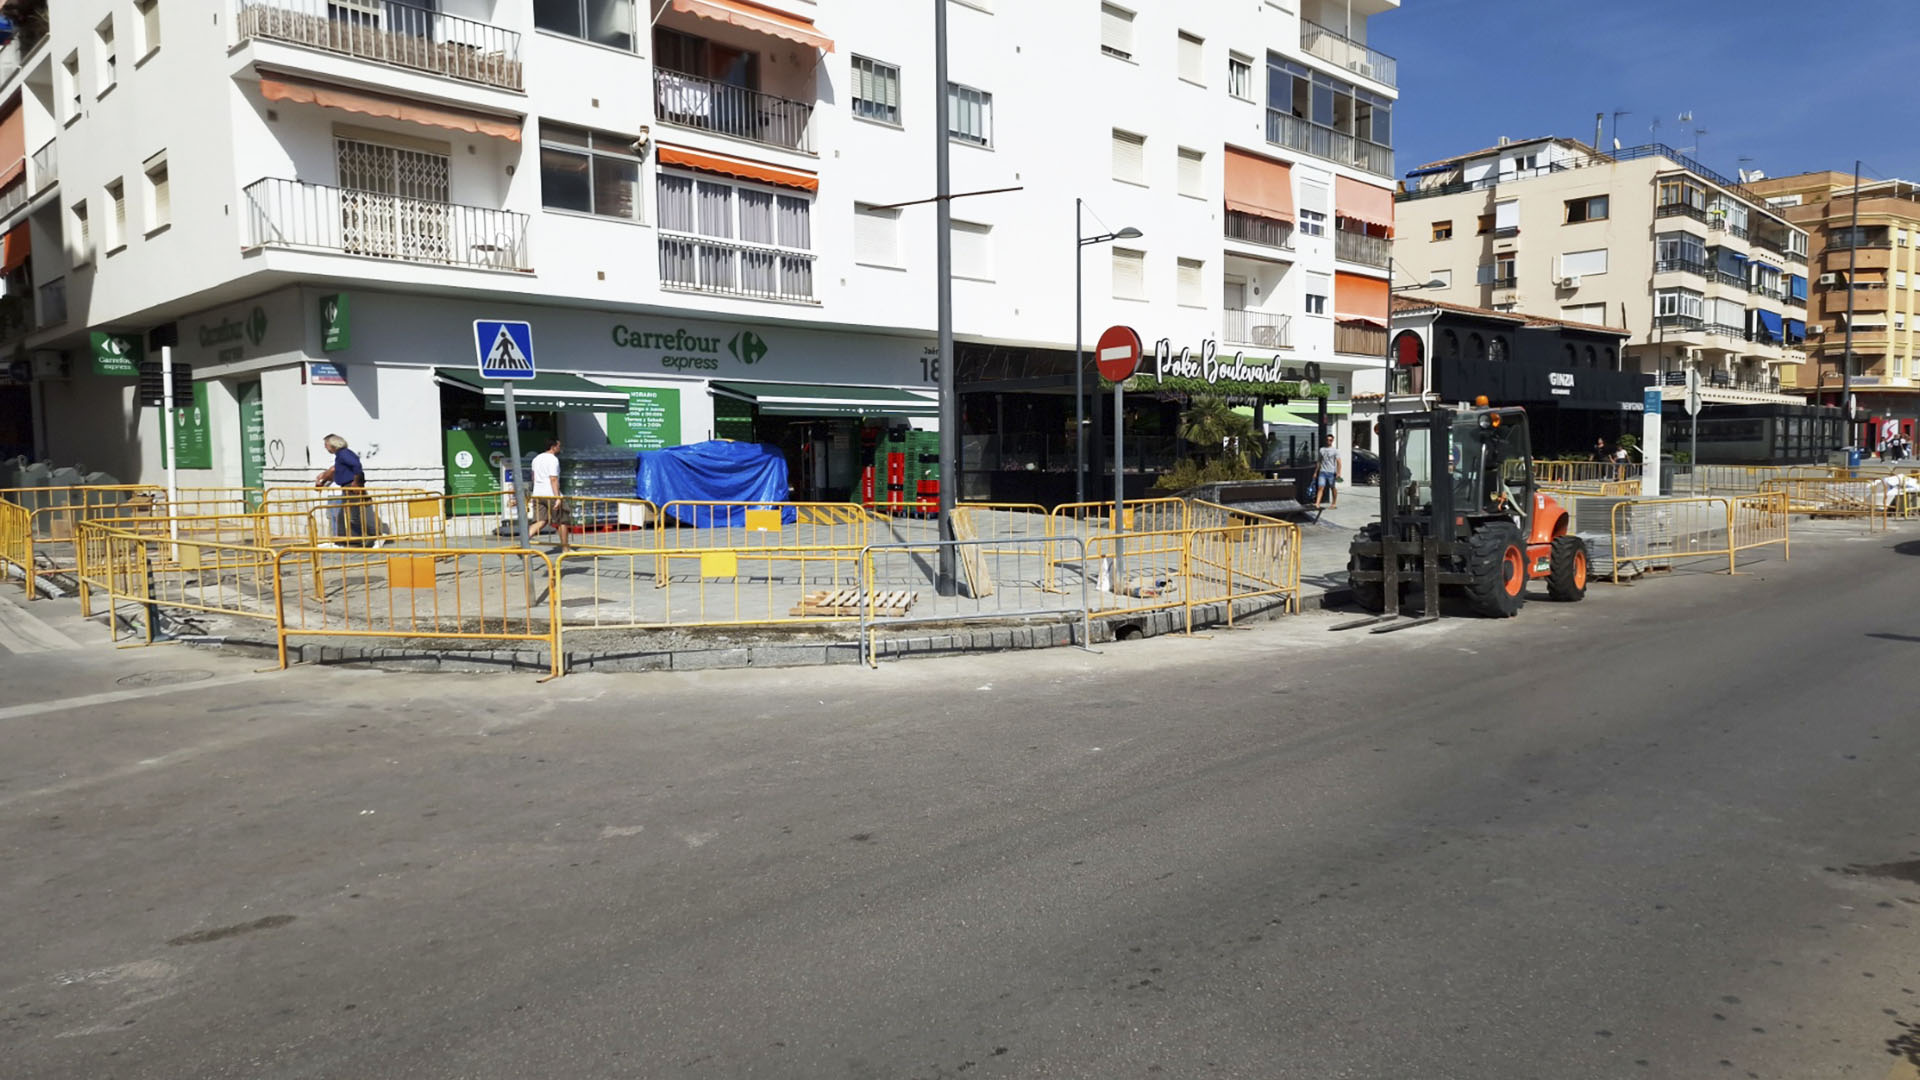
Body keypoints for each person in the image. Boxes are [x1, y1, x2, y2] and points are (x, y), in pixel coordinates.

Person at [312, 433, 369, 544]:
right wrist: (323, 480)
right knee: (342, 515)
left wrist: (356, 482)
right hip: (347, 487)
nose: (325, 447)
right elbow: (335, 470)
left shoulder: (343, 454)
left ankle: (360, 540)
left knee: (353, 515)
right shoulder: (341, 455)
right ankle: (343, 540)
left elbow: (357, 466)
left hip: (350, 487)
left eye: (326, 445)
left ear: (333, 445)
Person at [527, 437, 570, 551]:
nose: (560, 448)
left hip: (538, 494)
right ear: (553, 447)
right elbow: (553, 479)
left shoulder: (536, 459)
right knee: (562, 521)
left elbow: (533, 477)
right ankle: (565, 549)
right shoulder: (553, 459)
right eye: (559, 446)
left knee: (541, 521)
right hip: (550, 494)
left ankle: (524, 540)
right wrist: (557, 497)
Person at [1312, 434, 1341, 510]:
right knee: (1321, 487)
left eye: (1330, 440)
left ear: (1332, 440)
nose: (1329, 441)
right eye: (1328, 440)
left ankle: (1334, 503)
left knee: (1332, 487)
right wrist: (1315, 472)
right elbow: (1319, 461)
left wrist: (1338, 473)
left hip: (1331, 472)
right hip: (1322, 471)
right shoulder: (1322, 449)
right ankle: (1317, 503)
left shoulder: (1335, 450)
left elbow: (1339, 462)